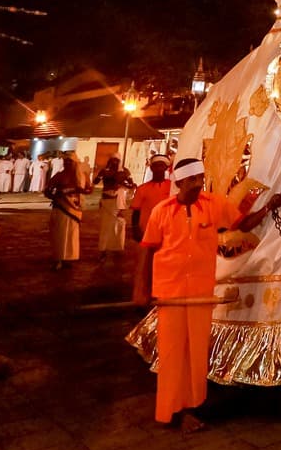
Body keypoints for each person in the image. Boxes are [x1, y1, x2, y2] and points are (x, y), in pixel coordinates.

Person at [136, 158, 256, 430]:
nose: (198, 184)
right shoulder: (161, 211)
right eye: (192, 180)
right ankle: (170, 411)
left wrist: (270, 207)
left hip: (201, 291)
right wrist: (140, 289)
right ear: (179, 182)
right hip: (170, 292)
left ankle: (192, 408)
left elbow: (243, 224)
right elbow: (146, 249)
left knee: (197, 352)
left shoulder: (214, 204)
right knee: (171, 353)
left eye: (200, 178)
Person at [129, 156, 173, 303]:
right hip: (146, 233)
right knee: (143, 267)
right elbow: (136, 211)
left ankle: (163, 296)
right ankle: (142, 298)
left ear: (166, 168)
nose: (158, 169)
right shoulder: (142, 189)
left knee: (165, 266)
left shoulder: (172, 187)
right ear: (151, 168)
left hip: (167, 234)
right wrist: (135, 229)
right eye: (156, 166)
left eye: (161, 166)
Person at [47, 153, 83, 269]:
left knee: (71, 235)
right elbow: (47, 190)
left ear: (75, 163)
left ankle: (69, 257)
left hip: (74, 210)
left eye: (70, 162)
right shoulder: (59, 176)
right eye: (65, 161)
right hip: (61, 209)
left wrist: (75, 191)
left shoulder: (81, 177)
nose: (67, 163)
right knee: (60, 235)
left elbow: (88, 189)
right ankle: (58, 258)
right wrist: (57, 197)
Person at [96, 156, 136, 258]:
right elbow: (95, 181)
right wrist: (102, 175)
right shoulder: (105, 171)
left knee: (119, 225)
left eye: (116, 161)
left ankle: (117, 248)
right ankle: (103, 249)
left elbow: (131, 184)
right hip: (107, 201)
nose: (114, 163)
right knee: (106, 226)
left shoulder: (124, 172)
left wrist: (123, 184)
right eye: (113, 161)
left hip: (119, 201)